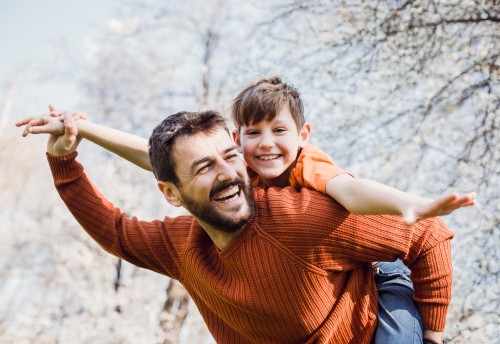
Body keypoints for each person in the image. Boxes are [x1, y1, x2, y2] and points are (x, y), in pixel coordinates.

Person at [18, 110, 459, 343]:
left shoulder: (297, 219)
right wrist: (64, 157)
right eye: (205, 167)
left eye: (232, 158)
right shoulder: (181, 248)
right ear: (171, 193)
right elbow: (115, 231)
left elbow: (428, 235)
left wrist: (434, 338)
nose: (228, 174)